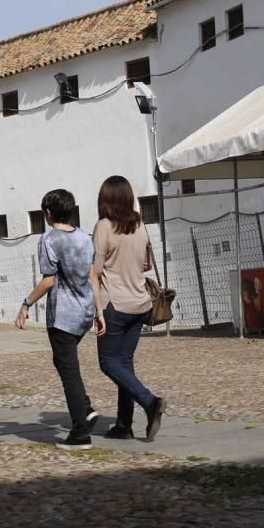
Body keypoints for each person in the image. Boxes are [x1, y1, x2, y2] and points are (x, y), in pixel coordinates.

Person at [16, 189, 105, 450]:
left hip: (63, 314)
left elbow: (48, 280)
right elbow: (93, 276)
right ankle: (85, 409)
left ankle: (80, 431)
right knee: (64, 361)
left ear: (48, 213)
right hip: (85, 311)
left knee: (69, 372)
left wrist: (25, 304)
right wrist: (99, 312)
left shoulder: (49, 239)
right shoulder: (84, 237)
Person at [91, 175, 167, 441]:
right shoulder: (140, 226)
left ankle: (150, 401)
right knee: (124, 363)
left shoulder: (103, 227)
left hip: (116, 304)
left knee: (108, 362)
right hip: (140, 304)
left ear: (105, 199)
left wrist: (98, 312)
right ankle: (123, 425)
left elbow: (95, 271)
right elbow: (146, 265)